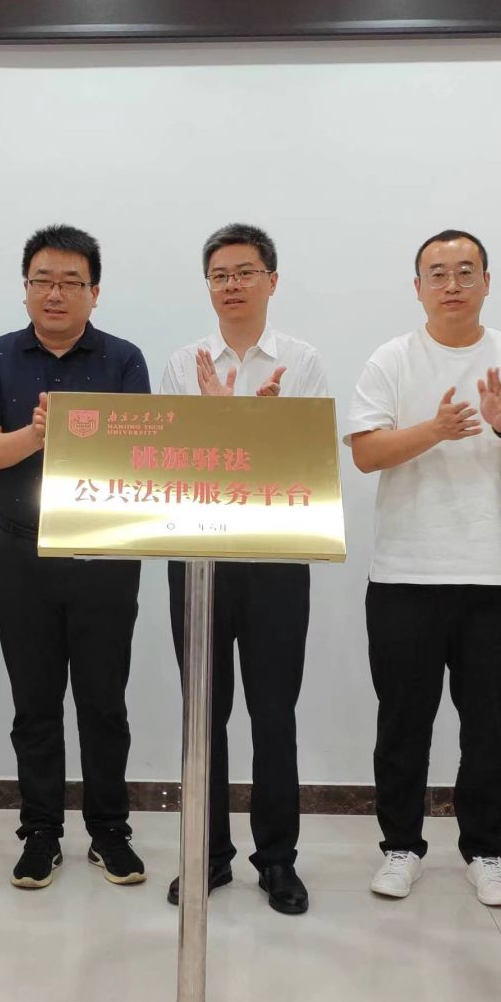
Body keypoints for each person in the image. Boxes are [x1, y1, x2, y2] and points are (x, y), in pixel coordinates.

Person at [346, 230, 501, 908]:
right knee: (403, 722)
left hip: (491, 574)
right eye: (437, 273)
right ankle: (400, 847)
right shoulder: (392, 358)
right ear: (418, 288)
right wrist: (434, 430)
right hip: (404, 573)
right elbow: (366, 454)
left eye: (466, 271)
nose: (453, 284)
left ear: (487, 281)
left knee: (488, 725)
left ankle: (486, 852)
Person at [0, 225, 152, 891]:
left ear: (94, 293)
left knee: (104, 702)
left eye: (71, 282)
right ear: (25, 289)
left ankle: (110, 831)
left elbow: (136, 456)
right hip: (20, 553)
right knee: (34, 703)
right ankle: (40, 832)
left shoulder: (124, 359)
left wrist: (72, 437)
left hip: (105, 552)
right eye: (42, 280)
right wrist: (37, 435)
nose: (55, 293)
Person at [157, 223, 330, 916]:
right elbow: (173, 464)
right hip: (199, 562)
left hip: (276, 560)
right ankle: (207, 854)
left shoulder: (303, 362)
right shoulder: (183, 364)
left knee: (274, 713)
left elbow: (305, 462)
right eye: (220, 275)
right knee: (204, 714)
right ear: (208, 286)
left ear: (271, 281)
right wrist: (223, 423)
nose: (232, 285)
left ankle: (277, 860)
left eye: (245, 272)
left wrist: (251, 429)